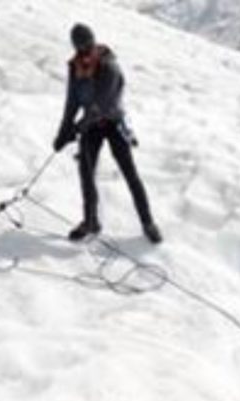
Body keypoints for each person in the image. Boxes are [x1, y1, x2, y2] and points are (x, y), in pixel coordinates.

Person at [53, 23, 162, 244]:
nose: (85, 49)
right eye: (81, 46)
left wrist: (77, 127)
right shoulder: (75, 67)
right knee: (86, 173)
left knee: (129, 173)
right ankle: (91, 221)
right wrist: (63, 132)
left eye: (88, 44)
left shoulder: (108, 65)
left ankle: (148, 222)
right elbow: (72, 103)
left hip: (113, 123)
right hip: (90, 127)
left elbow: (102, 103)